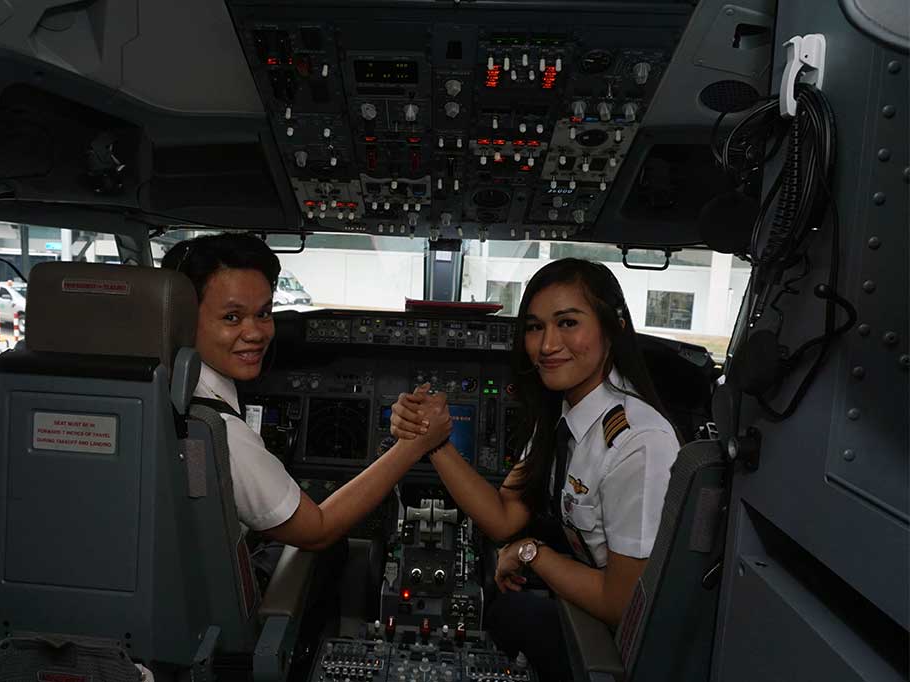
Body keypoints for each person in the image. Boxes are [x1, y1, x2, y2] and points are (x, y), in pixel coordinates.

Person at [389, 259, 679, 681]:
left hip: (626, 638)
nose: (546, 345)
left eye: (567, 323)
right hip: (593, 605)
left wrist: (531, 554)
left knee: (506, 611)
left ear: (612, 328)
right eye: (534, 327)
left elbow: (621, 601)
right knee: (501, 605)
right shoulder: (564, 414)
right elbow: (504, 517)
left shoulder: (637, 443)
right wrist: (433, 442)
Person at [162, 232, 451, 552]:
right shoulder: (218, 430)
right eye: (232, 317)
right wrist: (413, 446)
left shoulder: (153, 390)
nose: (256, 333)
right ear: (183, 320)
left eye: (263, 313)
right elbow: (317, 531)